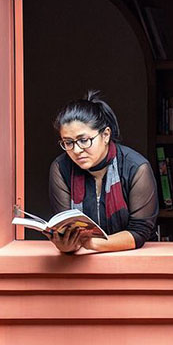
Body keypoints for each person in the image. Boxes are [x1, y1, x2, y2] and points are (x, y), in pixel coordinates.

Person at [47, 91, 160, 253]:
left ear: (105, 135)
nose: (77, 150)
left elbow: (139, 232)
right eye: (68, 142)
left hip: (132, 261)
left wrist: (92, 244)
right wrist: (65, 244)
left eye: (84, 140)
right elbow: (65, 226)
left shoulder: (135, 168)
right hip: (79, 265)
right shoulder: (61, 168)